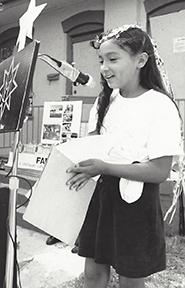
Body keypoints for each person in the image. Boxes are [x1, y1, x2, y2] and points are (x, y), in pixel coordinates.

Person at [66, 25, 182, 288]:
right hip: (101, 196)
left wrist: (105, 167)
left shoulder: (159, 106)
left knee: (130, 277)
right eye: (101, 60)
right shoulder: (105, 100)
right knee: (94, 269)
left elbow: (159, 171)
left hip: (136, 203)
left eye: (113, 59)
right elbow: (96, 146)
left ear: (141, 60)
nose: (104, 68)